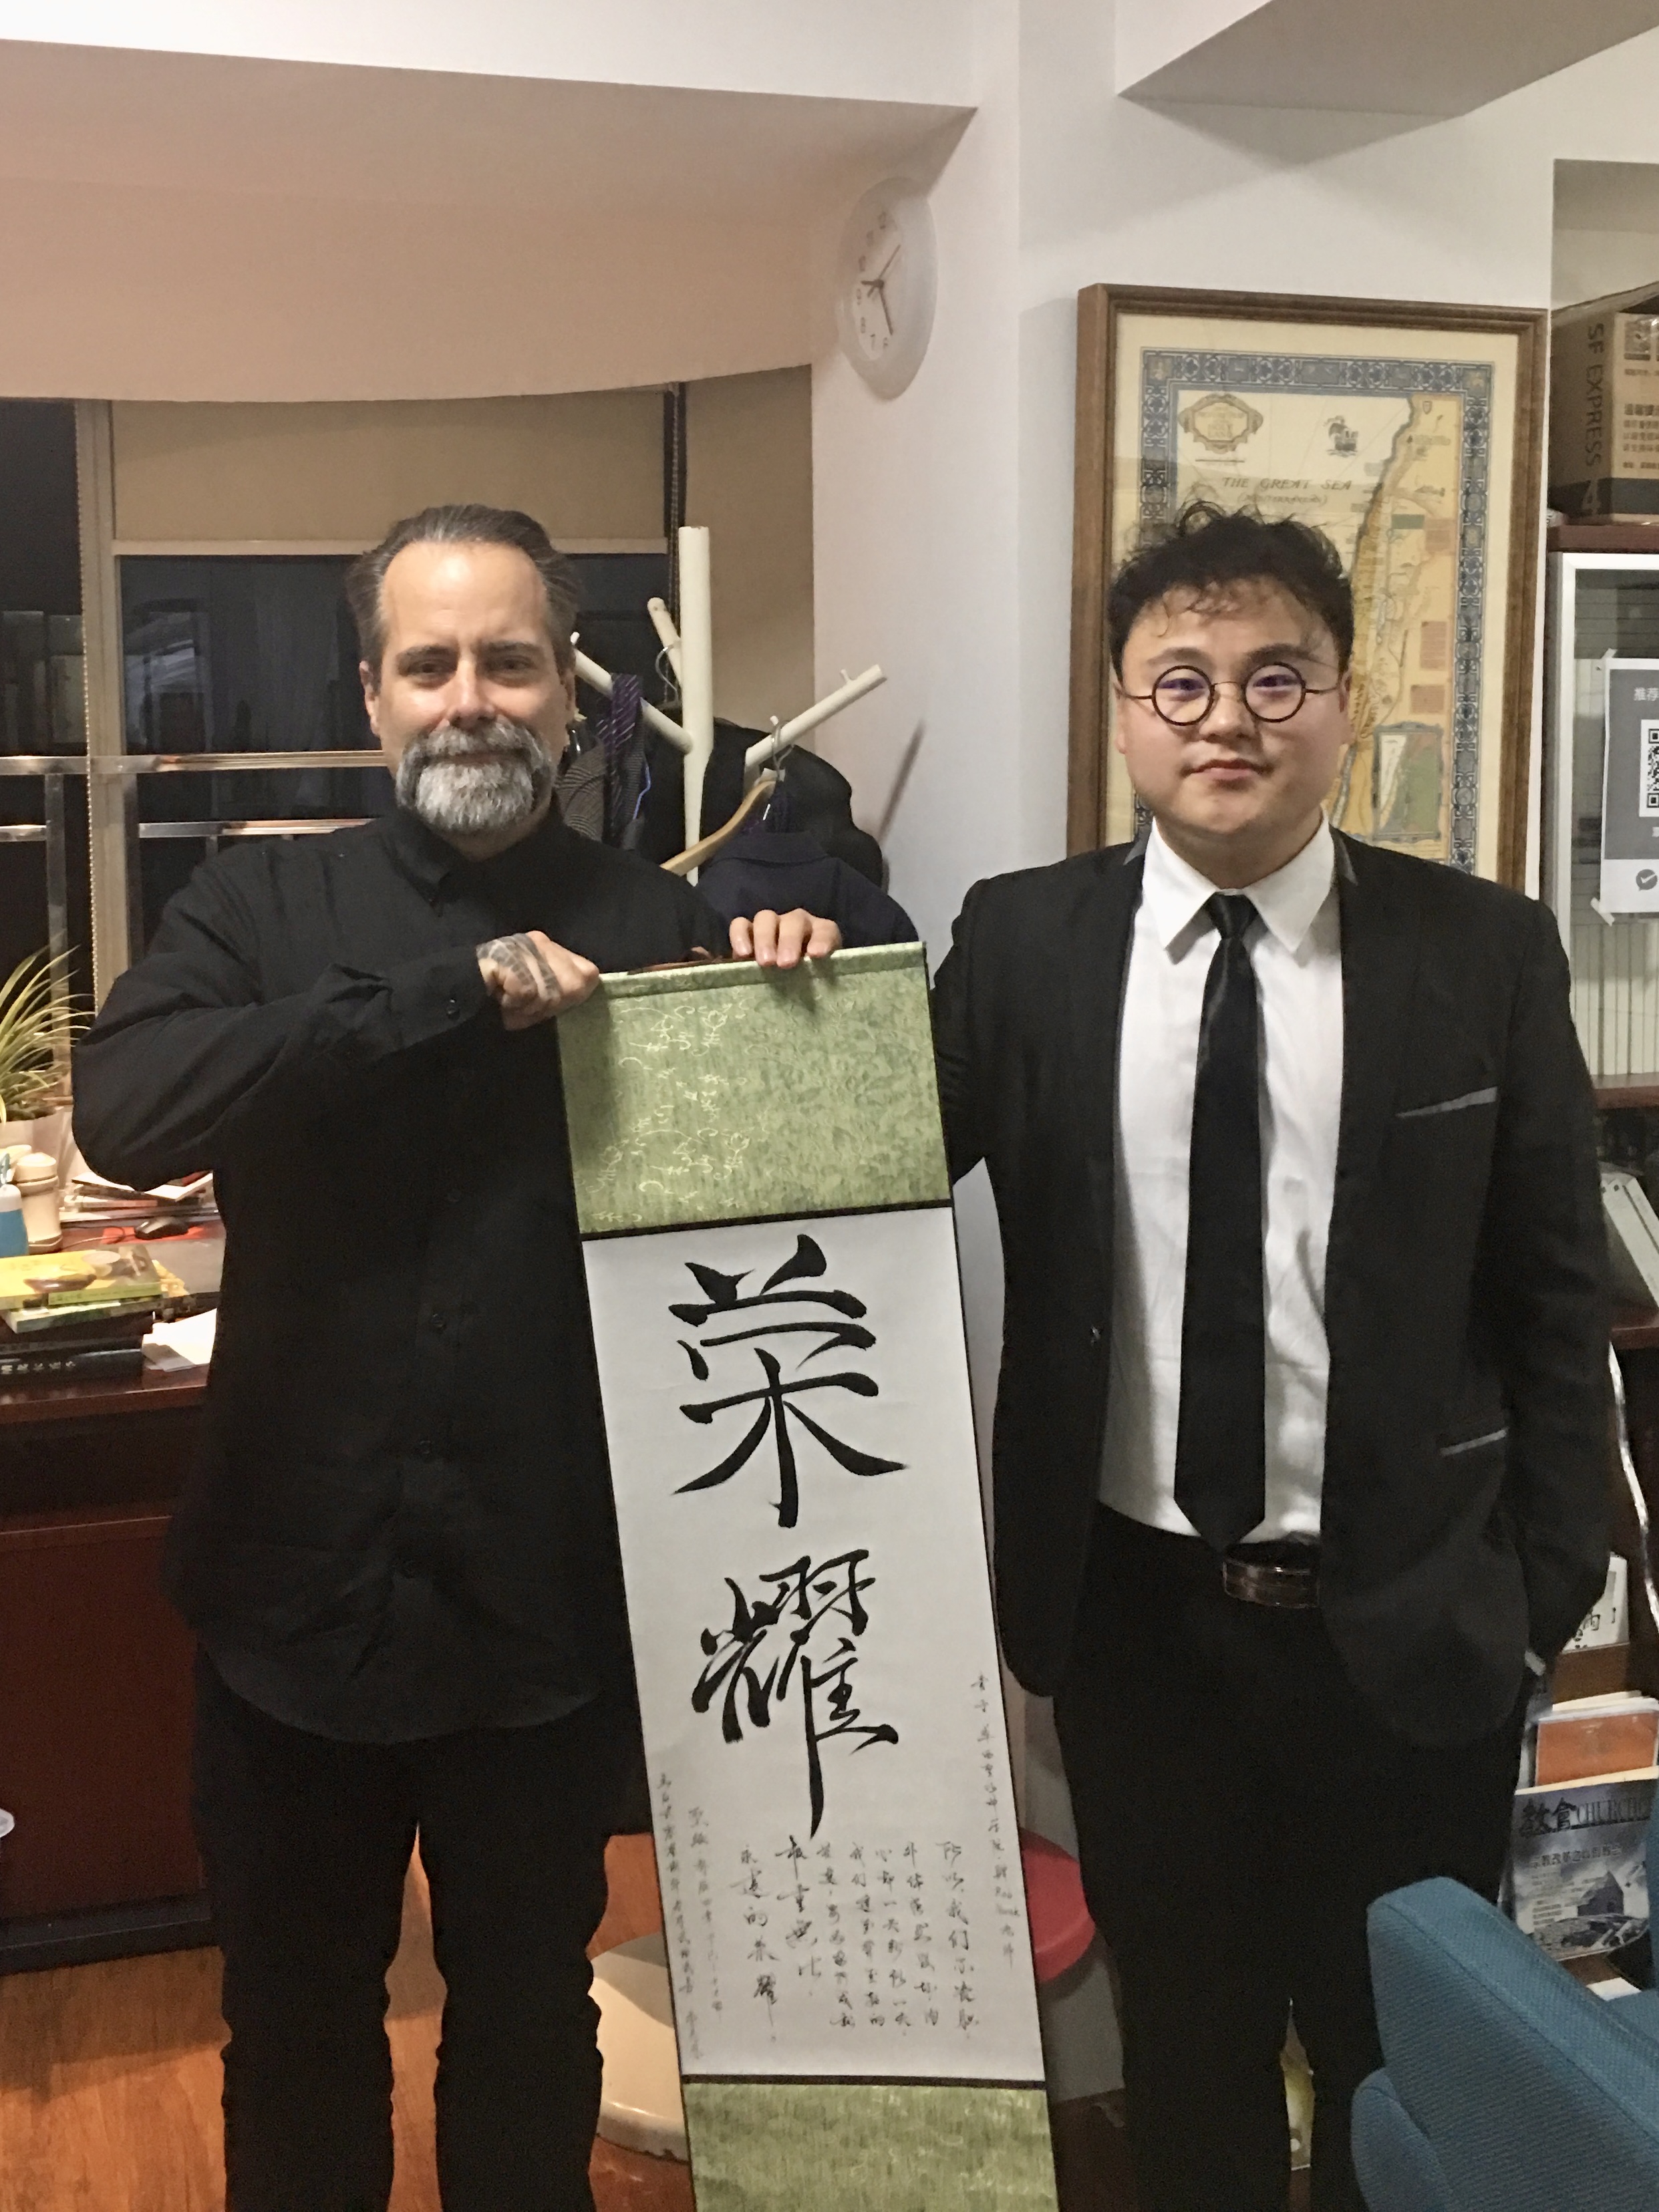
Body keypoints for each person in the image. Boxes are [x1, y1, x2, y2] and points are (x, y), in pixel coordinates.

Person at [72, 503, 839, 2212]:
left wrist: (796, 997)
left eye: (511, 662)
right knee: (293, 2025)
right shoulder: (261, 902)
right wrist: (440, 996)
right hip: (288, 1602)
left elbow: (787, 1226)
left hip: (547, 1615)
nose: (471, 700)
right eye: (430, 666)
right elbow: (126, 1112)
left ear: (571, 694)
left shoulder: (659, 931)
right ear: (374, 696)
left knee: (527, 2021)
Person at [931, 502, 1609, 2212]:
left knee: (1402, 2054)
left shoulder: (1482, 950)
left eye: (1274, 677)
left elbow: (1553, 1297)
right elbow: (870, 1165)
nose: (1226, 717)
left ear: (1344, 702)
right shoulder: (1021, 945)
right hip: (1138, 1624)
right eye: (1181, 681)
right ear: (1123, 715)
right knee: (1186, 2040)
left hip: (1415, 1620)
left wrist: (1545, 1589)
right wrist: (785, 971)